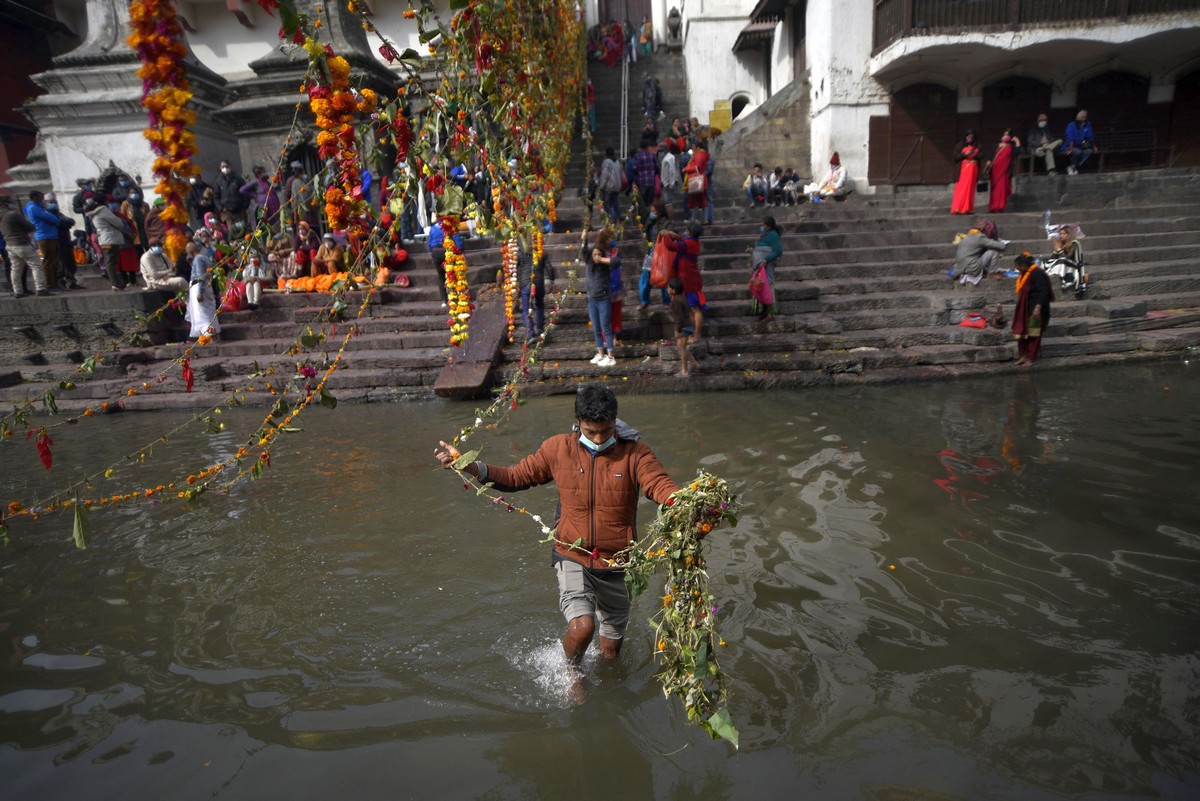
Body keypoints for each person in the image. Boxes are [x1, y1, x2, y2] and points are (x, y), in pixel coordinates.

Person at [433, 384, 683, 670]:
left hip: (618, 561)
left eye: (606, 430)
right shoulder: (557, 448)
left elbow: (659, 484)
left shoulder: (635, 452)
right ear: (578, 424)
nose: (599, 438)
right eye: (591, 432)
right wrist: (467, 465)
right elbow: (516, 477)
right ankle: (570, 673)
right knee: (582, 628)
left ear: (615, 422)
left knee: (611, 652)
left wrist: (684, 503)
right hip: (572, 553)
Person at [664, 220, 705, 342]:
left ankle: (697, 335)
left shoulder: (687, 243)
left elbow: (671, 246)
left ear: (690, 232)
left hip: (689, 280)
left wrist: (666, 234)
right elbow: (683, 242)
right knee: (691, 309)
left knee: (694, 309)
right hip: (690, 277)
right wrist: (677, 236)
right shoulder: (693, 242)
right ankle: (693, 333)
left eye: (686, 230)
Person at [0, 193, 47, 297]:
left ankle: (18, 291)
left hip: (9, 244)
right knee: (36, 265)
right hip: (21, 243)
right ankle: (41, 288)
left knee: (16, 268)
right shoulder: (12, 214)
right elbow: (30, 227)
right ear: (3, 203)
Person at [1012, 253, 1053, 366]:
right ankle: (1023, 356)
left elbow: (1044, 291)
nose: (1017, 269)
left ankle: (1031, 358)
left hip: (1036, 309)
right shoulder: (1025, 274)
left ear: (1024, 265)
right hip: (1026, 309)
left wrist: (1038, 307)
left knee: (1034, 334)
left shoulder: (1037, 274)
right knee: (1022, 333)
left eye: (1018, 267)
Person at [586, 228, 617, 367]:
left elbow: (617, 262)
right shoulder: (589, 264)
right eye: (594, 254)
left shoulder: (605, 265)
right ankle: (601, 353)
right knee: (596, 329)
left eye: (599, 254)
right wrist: (584, 237)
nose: (596, 256)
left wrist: (603, 259)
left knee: (606, 328)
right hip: (592, 300)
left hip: (603, 300)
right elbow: (583, 250)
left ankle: (611, 356)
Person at [87, 197, 133, 291]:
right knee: (112, 261)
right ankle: (115, 283)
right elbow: (118, 223)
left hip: (103, 239)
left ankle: (116, 283)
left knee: (109, 261)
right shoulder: (103, 211)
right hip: (111, 238)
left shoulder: (93, 214)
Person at [516, 230, 555, 342]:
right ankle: (540, 328)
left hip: (525, 284)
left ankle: (531, 334)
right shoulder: (541, 252)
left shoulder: (520, 252)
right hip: (538, 283)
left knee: (526, 309)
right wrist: (552, 281)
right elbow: (550, 268)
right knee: (539, 305)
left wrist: (518, 280)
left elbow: (515, 267)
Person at [24, 191, 62, 291]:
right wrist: (53, 216)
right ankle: (50, 283)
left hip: (49, 234)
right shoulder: (34, 208)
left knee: (54, 260)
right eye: (40, 197)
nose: (42, 199)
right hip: (45, 235)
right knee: (49, 261)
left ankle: (54, 282)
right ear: (35, 197)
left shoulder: (37, 206)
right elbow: (52, 218)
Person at [951, 221, 1008, 286]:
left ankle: (984, 271)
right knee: (994, 251)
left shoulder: (967, 237)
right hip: (972, 269)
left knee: (979, 253)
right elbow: (1001, 246)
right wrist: (998, 241)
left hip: (959, 270)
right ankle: (992, 273)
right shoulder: (980, 237)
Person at [639, 198, 671, 310]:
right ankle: (644, 301)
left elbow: (670, 234)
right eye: (651, 209)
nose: (652, 212)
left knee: (663, 279)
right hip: (649, 253)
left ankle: (666, 301)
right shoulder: (649, 220)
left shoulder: (666, 223)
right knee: (645, 279)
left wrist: (665, 234)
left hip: (660, 255)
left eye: (654, 210)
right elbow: (642, 209)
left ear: (659, 211)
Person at [749, 215, 782, 322]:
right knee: (760, 287)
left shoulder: (773, 235)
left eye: (763, 225)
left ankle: (770, 313)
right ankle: (763, 311)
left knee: (768, 287)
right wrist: (752, 251)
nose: (761, 227)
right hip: (759, 266)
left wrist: (766, 260)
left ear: (769, 226)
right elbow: (761, 249)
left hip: (766, 267)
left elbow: (778, 251)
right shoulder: (765, 234)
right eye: (761, 225)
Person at [185, 241, 220, 340]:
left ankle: (210, 335)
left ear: (190, 252)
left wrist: (199, 292)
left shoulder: (199, 259)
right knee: (208, 313)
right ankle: (212, 334)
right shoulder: (203, 257)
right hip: (205, 286)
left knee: (202, 315)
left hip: (199, 287)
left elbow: (201, 276)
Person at [1043, 224, 1087, 297]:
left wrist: (1060, 250)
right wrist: (1056, 251)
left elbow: (1068, 257)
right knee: (1045, 261)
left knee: (1062, 261)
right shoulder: (1062, 244)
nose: (1062, 235)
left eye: (1064, 234)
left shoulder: (1075, 244)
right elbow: (1052, 259)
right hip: (1065, 264)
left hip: (1074, 266)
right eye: (1060, 234)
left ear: (1069, 234)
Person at [666, 277, 698, 376]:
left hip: (684, 326)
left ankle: (685, 370)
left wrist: (677, 330)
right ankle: (694, 363)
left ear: (673, 290)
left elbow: (679, 317)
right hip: (687, 324)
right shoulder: (683, 297)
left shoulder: (676, 301)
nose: (667, 289)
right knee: (681, 346)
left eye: (669, 288)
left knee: (682, 348)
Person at [950, 131, 983, 214]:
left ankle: (968, 208)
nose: (970, 139)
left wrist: (975, 154)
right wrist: (964, 154)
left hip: (972, 171)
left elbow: (982, 154)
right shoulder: (960, 145)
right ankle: (958, 208)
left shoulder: (977, 145)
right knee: (961, 188)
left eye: (971, 137)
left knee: (970, 190)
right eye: (968, 137)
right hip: (962, 171)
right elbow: (955, 156)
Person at [987, 132, 1020, 213]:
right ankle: (993, 207)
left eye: (1008, 135)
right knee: (994, 190)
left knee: (1002, 189)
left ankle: (1000, 207)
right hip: (995, 171)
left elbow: (1017, 152)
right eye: (1004, 135)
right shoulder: (996, 146)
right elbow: (991, 156)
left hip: (1004, 171)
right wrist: (988, 163)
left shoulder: (1011, 147)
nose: (1006, 136)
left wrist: (1017, 141)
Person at [214, 160, 247, 231]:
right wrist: (221, 208)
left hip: (239, 210)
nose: (225, 168)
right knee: (233, 232)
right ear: (220, 168)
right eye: (223, 167)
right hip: (227, 212)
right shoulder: (218, 181)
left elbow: (245, 193)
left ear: (230, 166)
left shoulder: (238, 179)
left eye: (227, 166)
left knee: (244, 230)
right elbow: (216, 197)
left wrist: (244, 206)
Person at [682, 141, 710, 224]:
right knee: (703, 200)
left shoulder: (699, 155)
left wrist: (686, 169)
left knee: (696, 201)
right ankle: (704, 219)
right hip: (702, 179)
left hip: (697, 180)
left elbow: (696, 167)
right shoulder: (703, 154)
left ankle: (695, 219)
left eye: (693, 146)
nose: (692, 148)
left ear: (697, 147)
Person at [1062, 109, 1095, 175]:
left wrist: (1094, 146)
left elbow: (1090, 136)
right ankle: (1070, 166)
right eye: (1080, 117)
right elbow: (1070, 138)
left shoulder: (1087, 124)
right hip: (1069, 146)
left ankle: (1073, 165)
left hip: (1081, 146)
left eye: (1084, 117)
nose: (1082, 118)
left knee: (1089, 151)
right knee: (1078, 152)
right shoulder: (1071, 125)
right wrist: (1070, 149)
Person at [597, 147, 623, 222]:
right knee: (615, 205)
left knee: (607, 206)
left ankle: (610, 221)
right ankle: (618, 220)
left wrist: (601, 187)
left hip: (609, 187)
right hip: (617, 187)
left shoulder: (607, 162)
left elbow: (605, 175)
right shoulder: (617, 162)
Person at [658, 139, 681, 214]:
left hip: (668, 184)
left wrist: (670, 183)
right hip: (666, 183)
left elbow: (672, 171)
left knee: (668, 202)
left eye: (662, 150)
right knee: (666, 202)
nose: (660, 152)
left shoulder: (669, 157)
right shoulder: (665, 158)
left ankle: (672, 220)